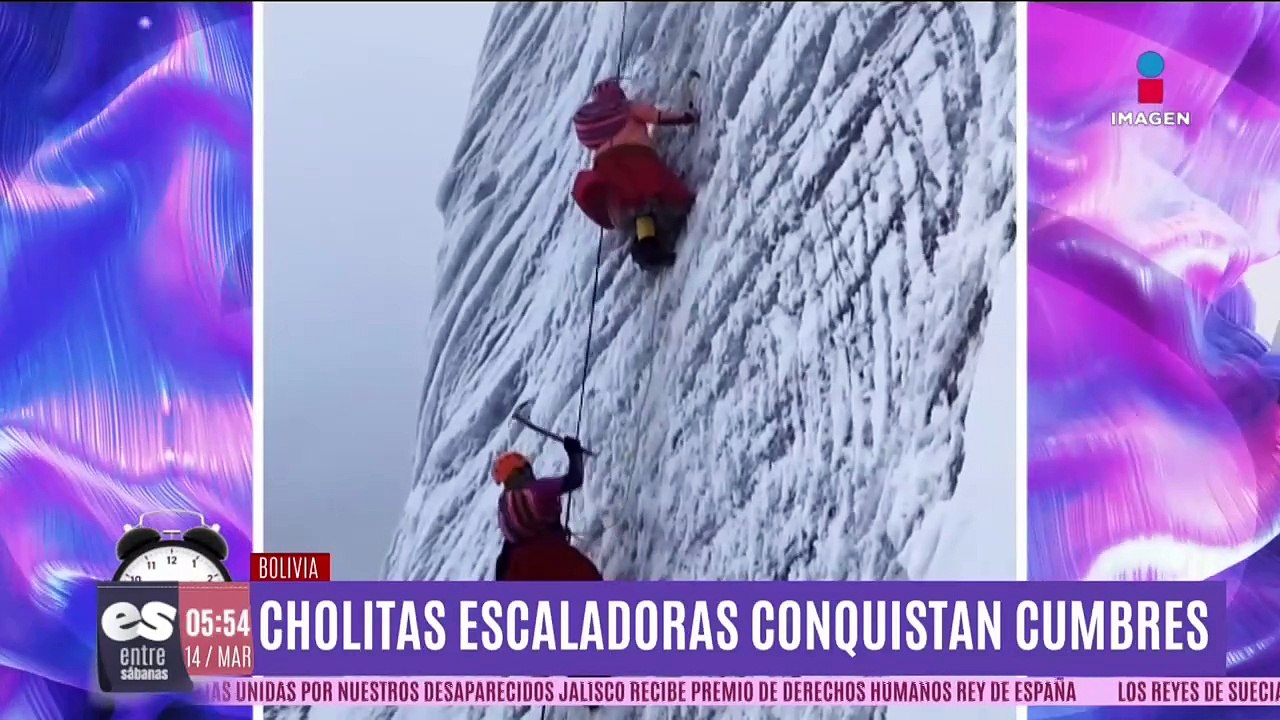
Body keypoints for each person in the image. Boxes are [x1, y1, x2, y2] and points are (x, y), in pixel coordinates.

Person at [571, 77, 699, 269]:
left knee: (638, 205)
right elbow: (657, 117)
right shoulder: (627, 108)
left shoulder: (597, 128)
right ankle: (659, 234)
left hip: (605, 167)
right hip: (637, 157)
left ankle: (648, 248)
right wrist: (685, 117)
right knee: (669, 194)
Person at [492, 436, 603, 581]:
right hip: (554, 559)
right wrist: (574, 452)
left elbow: (512, 541)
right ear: (521, 471)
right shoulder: (537, 490)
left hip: (520, 570)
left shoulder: (503, 505)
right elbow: (575, 479)